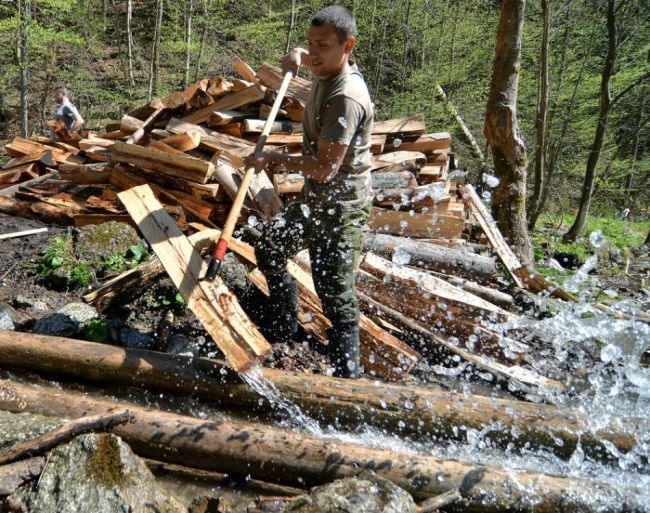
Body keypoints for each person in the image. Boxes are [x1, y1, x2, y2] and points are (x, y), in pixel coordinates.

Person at [245, 5, 373, 379]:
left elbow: (325, 167)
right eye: (310, 43)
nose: (313, 53)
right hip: (316, 199)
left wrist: (273, 158)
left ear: (347, 45)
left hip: (342, 207)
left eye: (323, 46)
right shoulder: (323, 64)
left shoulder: (345, 98)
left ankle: (348, 379)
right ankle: (284, 326)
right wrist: (295, 55)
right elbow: (306, 55)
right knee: (270, 246)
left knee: (335, 296)